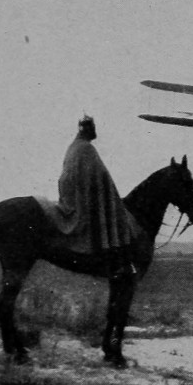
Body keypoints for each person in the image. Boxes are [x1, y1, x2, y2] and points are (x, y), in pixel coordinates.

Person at [57, 115, 136, 278]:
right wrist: (112, 196)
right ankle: (117, 262)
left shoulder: (74, 147)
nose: (95, 131)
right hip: (81, 199)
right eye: (92, 128)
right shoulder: (86, 148)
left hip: (71, 196)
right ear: (86, 129)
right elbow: (102, 177)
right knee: (117, 215)